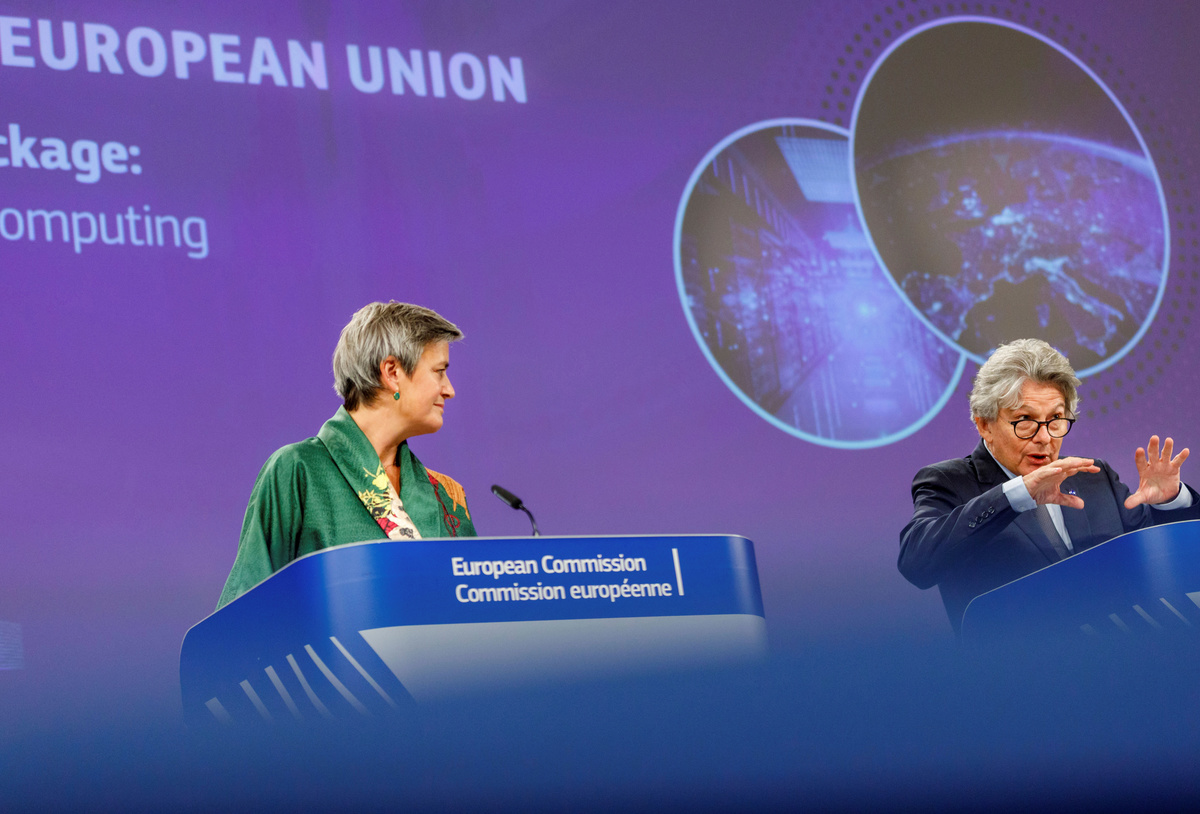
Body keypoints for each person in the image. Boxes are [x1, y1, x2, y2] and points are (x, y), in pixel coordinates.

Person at [898, 338, 1198, 633]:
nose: (1044, 437)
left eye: (1055, 419)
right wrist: (1018, 495)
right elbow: (916, 563)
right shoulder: (949, 481)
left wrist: (1170, 502)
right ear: (984, 425)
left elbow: (1160, 558)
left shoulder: (1093, 476)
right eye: (1025, 420)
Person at [217, 301, 476, 608]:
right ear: (392, 372)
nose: (449, 389)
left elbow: (472, 609)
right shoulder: (297, 471)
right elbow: (245, 612)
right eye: (439, 371)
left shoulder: (446, 495)